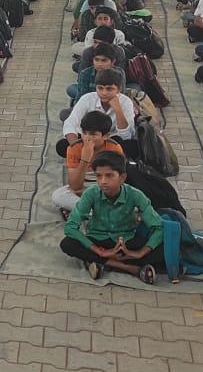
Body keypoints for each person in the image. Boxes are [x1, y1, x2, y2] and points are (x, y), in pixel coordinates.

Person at [60, 151, 164, 284]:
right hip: (98, 240)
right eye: (99, 176)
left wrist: (140, 253)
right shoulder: (91, 193)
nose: (103, 181)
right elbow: (70, 227)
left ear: (122, 177)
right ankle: (131, 268)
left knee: (162, 249)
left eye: (109, 176)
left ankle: (98, 262)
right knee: (67, 243)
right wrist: (99, 251)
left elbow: (158, 227)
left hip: (126, 242)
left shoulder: (136, 195)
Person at [52, 112, 125, 217]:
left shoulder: (114, 148)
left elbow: (117, 180)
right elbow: (75, 186)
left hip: (104, 185)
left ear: (105, 136)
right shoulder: (74, 148)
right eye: (84, 133)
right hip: (83, 184)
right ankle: (99, 213)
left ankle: (84, 212)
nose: (87, 138)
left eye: (93, 134)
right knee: (58, 196)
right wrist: (85, 159)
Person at [62, 69, 136, 146]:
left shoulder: (126, 102)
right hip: (86, 140)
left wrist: (118, 110)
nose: (104, 93)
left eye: (109, 89)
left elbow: (126, 136)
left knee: (129, 145)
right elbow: (70, 124)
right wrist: (76, 147)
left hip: (110, 142)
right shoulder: (87, 98)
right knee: (63, 144)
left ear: (118, 90)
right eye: (100, 88)